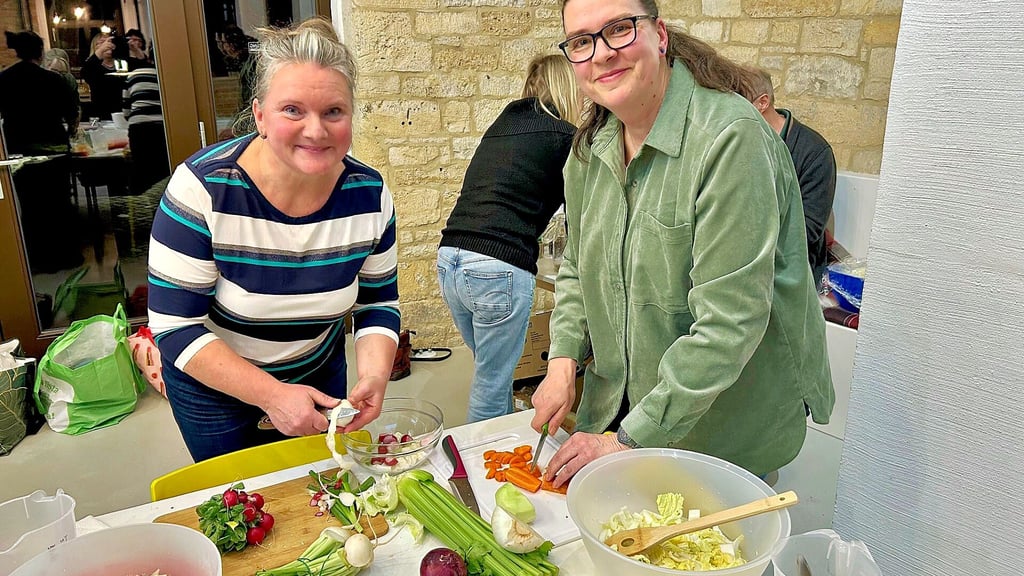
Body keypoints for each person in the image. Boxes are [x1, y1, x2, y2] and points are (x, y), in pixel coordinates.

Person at [531, 0, 834, 488]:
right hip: (624, 418)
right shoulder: (590, 150)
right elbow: (577, 271)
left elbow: (729, 322)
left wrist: (622, 441)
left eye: (619, 30)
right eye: (582, 41)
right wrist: (563, 362)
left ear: (660, 34)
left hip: (719, 437)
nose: (602, 53)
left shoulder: (729, 138)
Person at [147, 18, 400, 462]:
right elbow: (176, 327)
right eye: (293, 110)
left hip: (318, 368)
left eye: (333, 112)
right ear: (260, 114)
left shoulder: (370, 195)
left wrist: (376, 374)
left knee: (318, 491)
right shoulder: (202, 189)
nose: (316, 131)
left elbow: (378, 303)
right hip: (215, 387)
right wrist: (271, 395)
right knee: (239, 503)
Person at [437, 54, 581, 423]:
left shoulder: (503, 124)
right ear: (569, 89)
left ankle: (501, 440)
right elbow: (583, 214)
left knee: (492, 371)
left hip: (450, 259)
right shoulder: (563, 136)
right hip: (496, 265)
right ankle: (482, 468)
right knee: (493, 379)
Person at [743, 66, 837, 287]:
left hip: (790, 271)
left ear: (762, 102)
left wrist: (744, 236)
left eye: (737, 100)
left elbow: (807, 230)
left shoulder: (815, 152)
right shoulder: (739, 143)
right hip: (743, 261)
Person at [0, 31, 82, 273]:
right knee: (58, 206)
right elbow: (71, 115)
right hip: (54, 153)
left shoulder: (4, 79)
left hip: (20, 154)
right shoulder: (54, 81)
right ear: (40, 52)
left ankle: (37, 260)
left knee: (32, 207)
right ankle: (65, 256)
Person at [81, 33, 122, 119]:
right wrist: (102, 49)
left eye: (109, 42)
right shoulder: (93, 66)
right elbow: (85, 72)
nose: (107, 44)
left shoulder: (121, 63)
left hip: (122, 112)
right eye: (102, 42)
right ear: (95, 47)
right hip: (101, 113)